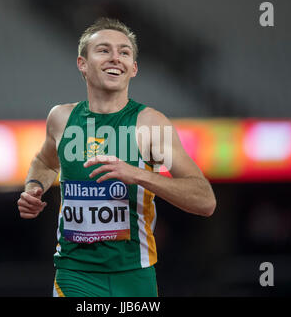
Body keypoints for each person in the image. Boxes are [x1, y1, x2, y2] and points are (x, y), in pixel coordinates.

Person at [17, 17, 216, 297]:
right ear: (82, 64)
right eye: (104, 50)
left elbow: (205, 201)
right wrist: (33, 187)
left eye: (124, 52)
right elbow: (46, 162)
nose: (115, 58)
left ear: (134, 68)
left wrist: (138, 174)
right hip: (74, 274)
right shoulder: (61, 118)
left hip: (134, 276)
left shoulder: (150, 124)